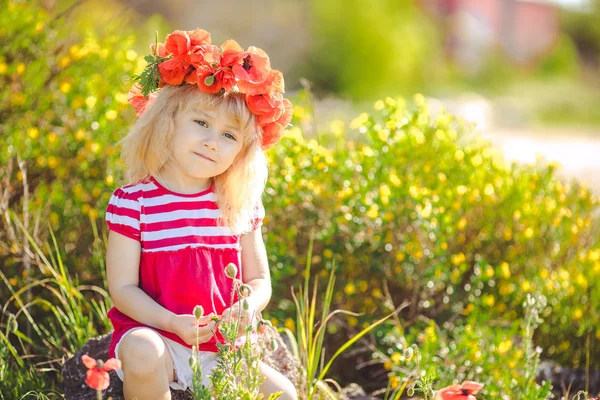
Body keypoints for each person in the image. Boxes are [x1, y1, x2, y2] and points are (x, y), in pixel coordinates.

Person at [104, 28, 296, 399]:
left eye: (229, 136)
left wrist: (248, 305)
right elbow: (123, 288)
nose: (212, 141)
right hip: (159, 336)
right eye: (202, 123)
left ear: (242, 151)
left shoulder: (238, 204)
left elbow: (260, 281)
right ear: (169, 120)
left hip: (223, 350)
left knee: (284, 395)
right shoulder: (135, 202)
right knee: (142, 351)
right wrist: (170, 322)